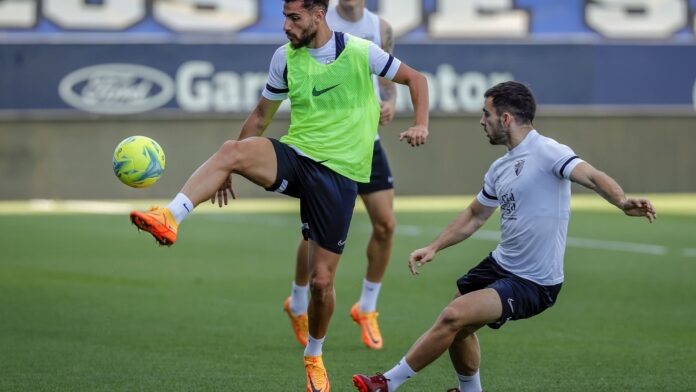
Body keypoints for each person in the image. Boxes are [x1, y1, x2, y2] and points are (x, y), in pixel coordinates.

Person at [129, 1, 430, 391]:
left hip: (339, 177)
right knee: (229, 151)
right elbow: (260, 116)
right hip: (297, 156)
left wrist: (420, 123)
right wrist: (230, 169)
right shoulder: (284, 58)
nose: (286, 26)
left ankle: (314, 355)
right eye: (284, 17)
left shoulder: (359, 50)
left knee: (322, 283)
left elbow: (417, 79)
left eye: (294, 18)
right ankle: (170, 217)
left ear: (318, 16)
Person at [352, 81, 656, 392]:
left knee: (452, 317)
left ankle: (387, 383)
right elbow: (474, 216)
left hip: (534, 282)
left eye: (486, 114)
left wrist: (621, 201)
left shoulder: (548, 151)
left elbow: (592, 176)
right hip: (500, 265)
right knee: (460, 328)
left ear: (506, 118)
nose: (482, 122)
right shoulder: (499, 168)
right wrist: (434, 247)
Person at [283, 0, 398, 352]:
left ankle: (366, 307)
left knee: (386, 225)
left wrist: (390, 101)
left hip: (367, 143)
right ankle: (298, 302)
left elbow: (386, 78)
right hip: (329, 148)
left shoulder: (381, 29)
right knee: (316, 234)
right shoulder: (317, 21)